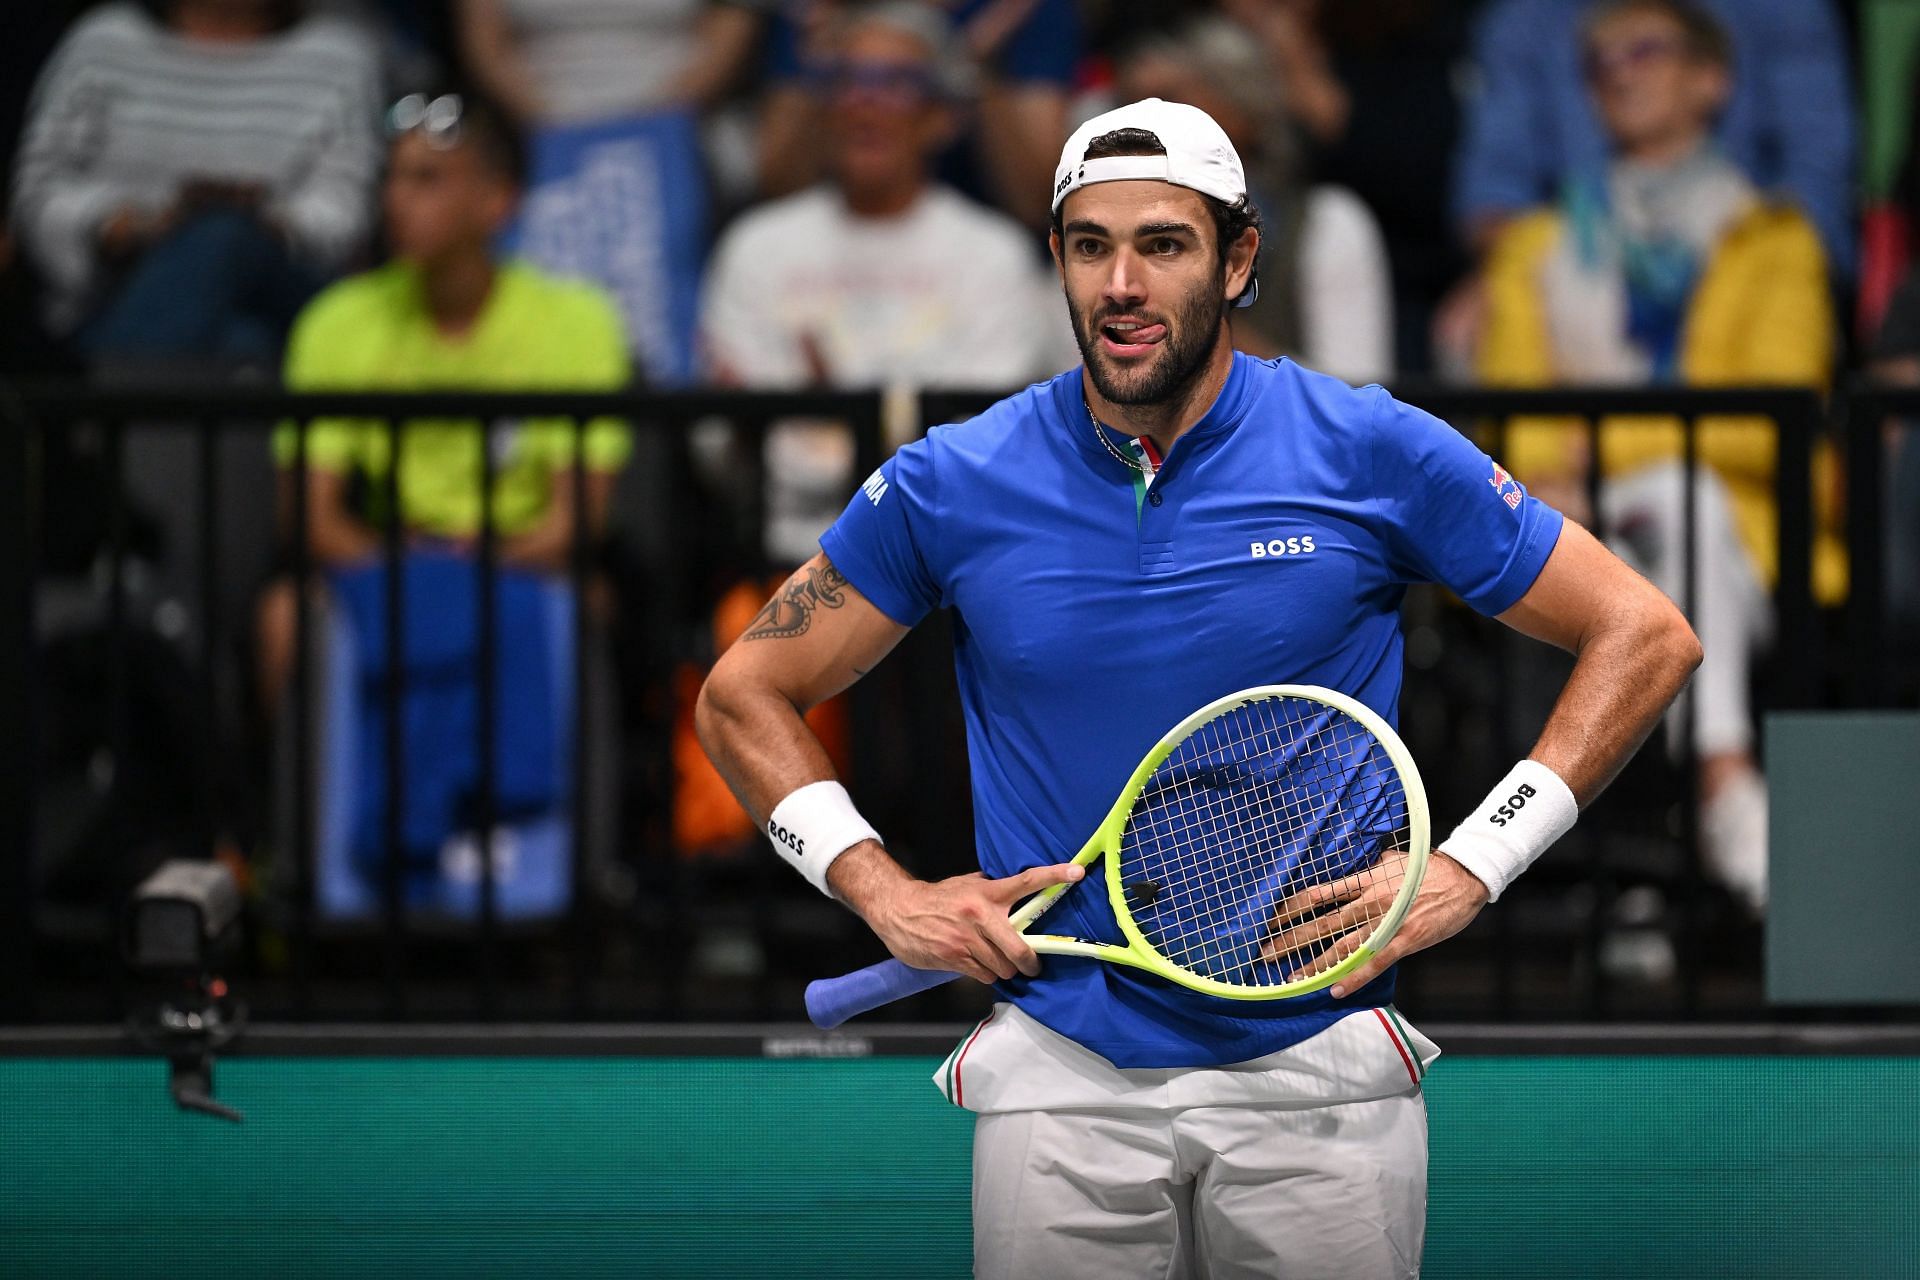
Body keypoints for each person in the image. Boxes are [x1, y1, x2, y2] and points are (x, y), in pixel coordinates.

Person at [697, 96, 1700, 1276]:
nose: (1121, 282)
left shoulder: (1369, 448)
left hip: (1320, 1068)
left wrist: (1475, 866)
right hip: (1057, 1077)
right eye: (1089, 245)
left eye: (1163, 244)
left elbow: (1646, 632)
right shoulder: (951, 482)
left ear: (1238, 261)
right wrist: (879, 890)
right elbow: (741, 694)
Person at [1476, 0, 1832, 916]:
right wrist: (1574, 469)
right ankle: (1724, 785)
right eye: (1599, 64)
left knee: (1683, 497)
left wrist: (1594, 449)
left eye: (1646, 50)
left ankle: (1643, 883)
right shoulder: (1535, 248)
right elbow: (1506, 418)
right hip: (1574, 532)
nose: (1620, 73)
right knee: (1668, 509)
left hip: (1744, 546)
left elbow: (1770, 418)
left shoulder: (1776, 240)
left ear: (1712, 79)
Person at [257, 92, 629, 707]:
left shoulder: (578, 321)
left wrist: (473, 566)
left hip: (521, 565)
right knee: (285, 617)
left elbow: (576, 518)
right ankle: (319, 805)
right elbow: (309, 516)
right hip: (381, 564)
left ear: (496, 200)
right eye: (393, 178)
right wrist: (413, 567)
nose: (395, 200)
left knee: (586, 603)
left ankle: (545, 807)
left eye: (426, 180)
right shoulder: (336, 321)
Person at [700, 1, 1065, 561]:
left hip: (941, 564)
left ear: (942, 117)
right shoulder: (755, 248)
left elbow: (979, 447)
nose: (865, 101)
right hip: (780, 559)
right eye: (847, 80)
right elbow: (720, 446)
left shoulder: (994, 256)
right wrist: (889, 426)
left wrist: (827, 415)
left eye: (895, 82)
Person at [10, 0, 381, 368]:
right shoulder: (103, 42)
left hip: (282, 287)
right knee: (243, 343)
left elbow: (347, 208)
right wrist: (125, 226)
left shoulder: (339, 55)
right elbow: (40, 190)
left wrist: (264, 225)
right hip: (113, 296)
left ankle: (112, 410)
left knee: (223, 235)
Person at [1115, 16, 1394, 384]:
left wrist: (1210, 324)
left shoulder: (1327, 223)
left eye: (1173, 101)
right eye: (1126, 106)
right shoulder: (1103, 233)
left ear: (1243, 111)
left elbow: (1357, 398)